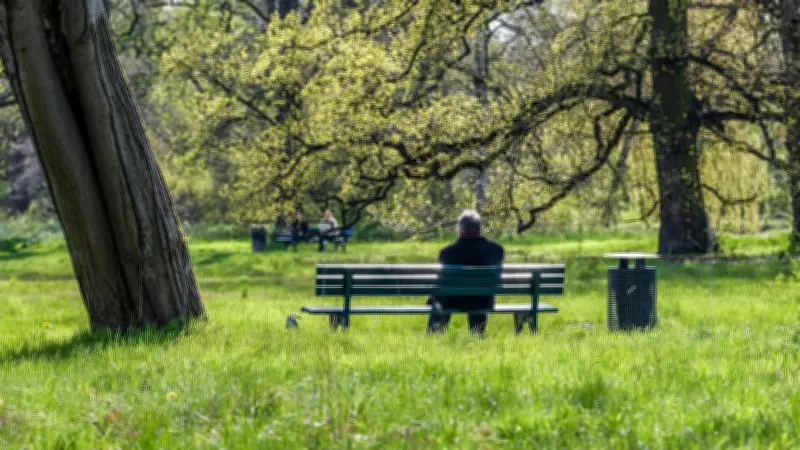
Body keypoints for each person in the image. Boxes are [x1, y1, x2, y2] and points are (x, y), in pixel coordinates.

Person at [427, 210, 504, 336]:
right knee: (478, 297)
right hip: (483, 301)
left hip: (453, 300)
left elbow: (442, 281)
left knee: (439, 299)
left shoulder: (448, 252)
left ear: (460, 230)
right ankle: (477, 336)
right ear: (480, 229)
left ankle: (435, 335)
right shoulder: (496, 250)